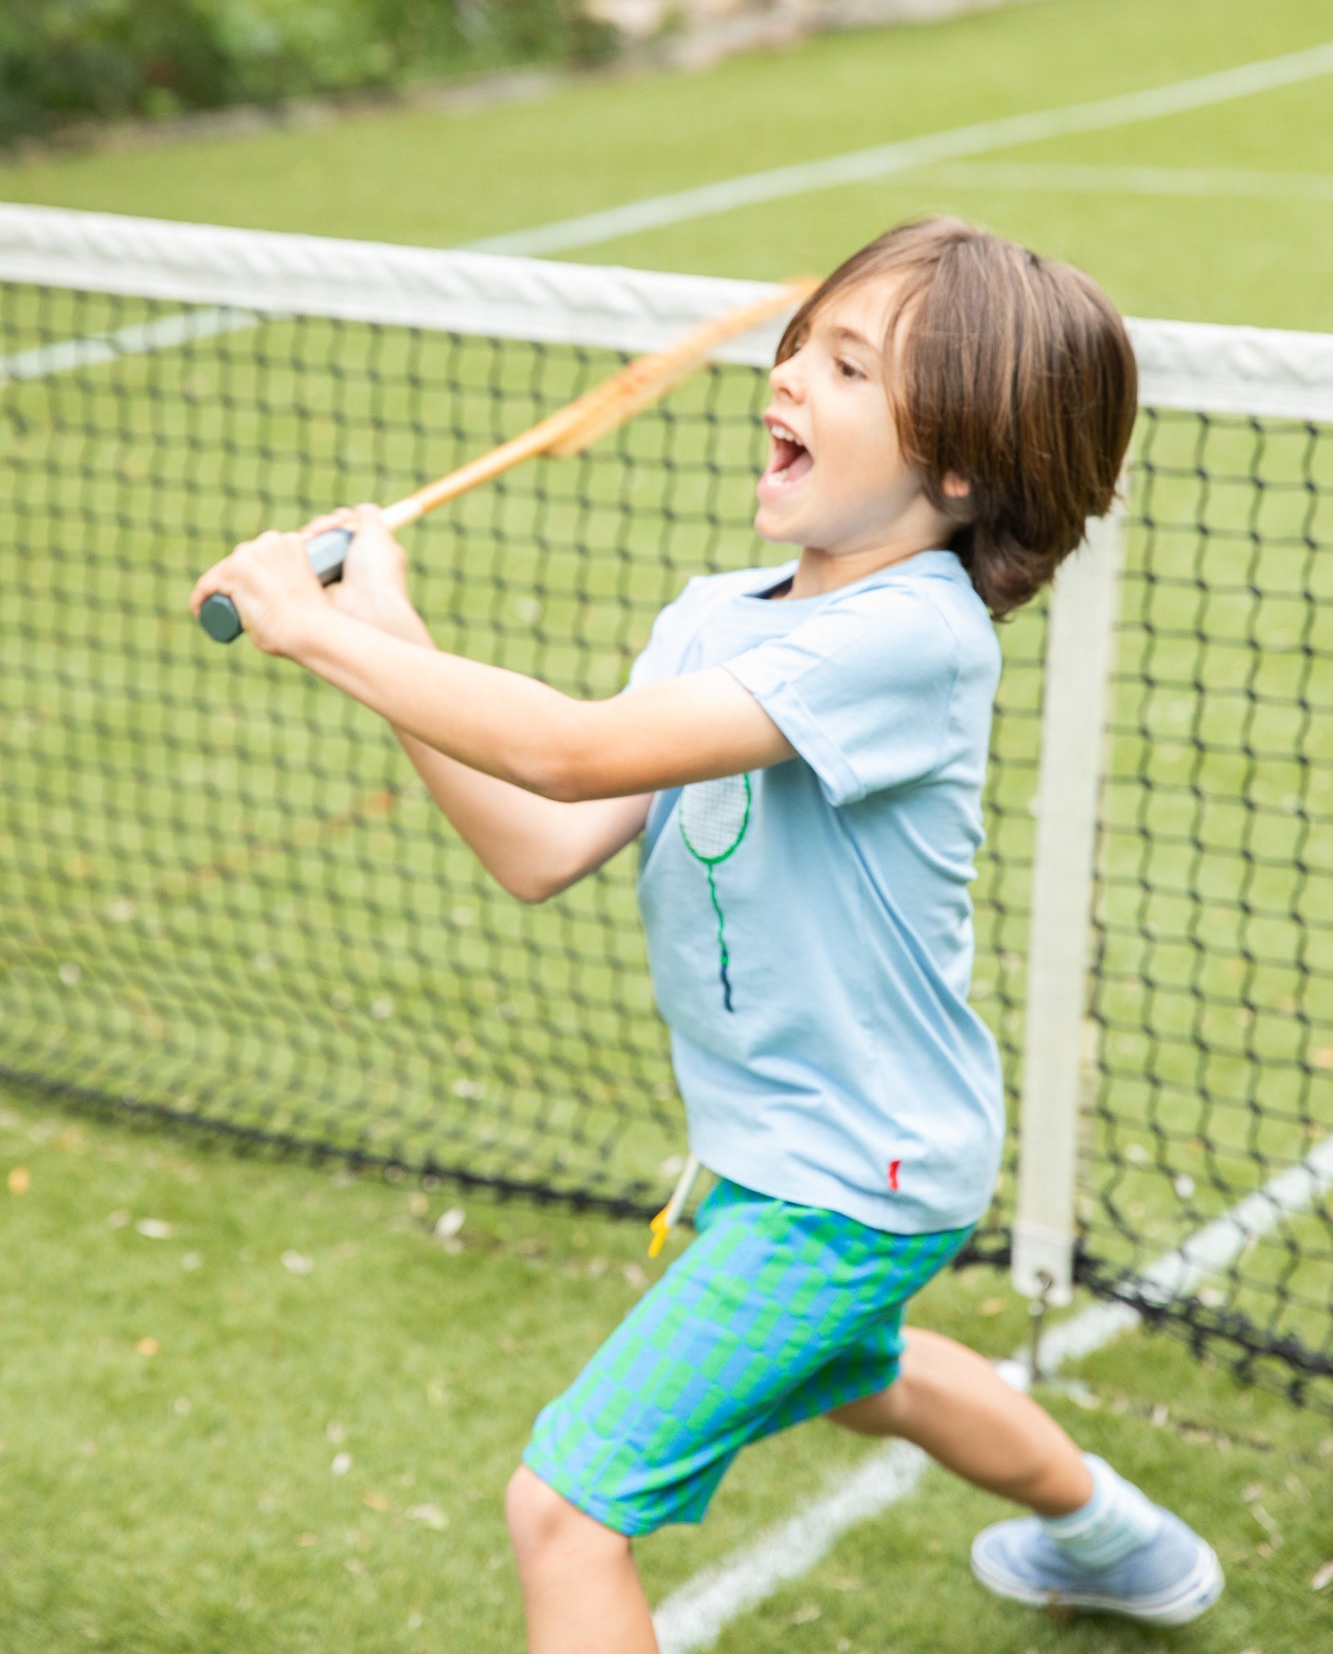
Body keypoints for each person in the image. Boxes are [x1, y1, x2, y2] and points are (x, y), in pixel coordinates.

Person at [192, 216, 1223, 1651]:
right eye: (805, 340)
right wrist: (390, 639)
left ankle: (1108, 1536)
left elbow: (564, 752)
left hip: (850, 1176)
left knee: (565, 1506)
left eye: (849, 367)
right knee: (871, 1374)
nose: (792, 372)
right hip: (780, 1149)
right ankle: (1118, 1541)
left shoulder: (914, 640)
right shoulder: (709, 621)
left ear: (961, 469)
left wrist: (316, 631)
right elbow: (541, 841)